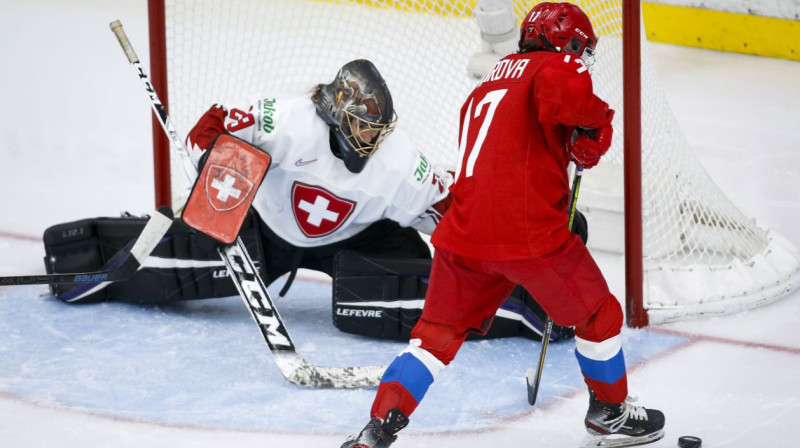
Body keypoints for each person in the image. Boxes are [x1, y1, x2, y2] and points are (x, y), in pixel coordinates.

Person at [341, 3, 665, 448]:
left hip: (463, 233)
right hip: (529, 234)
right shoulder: (557, 63)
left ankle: (376, 429)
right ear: (566, 42)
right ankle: (609, 413)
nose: (581, 57)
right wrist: (598, 122)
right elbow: (562, 98)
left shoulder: (489, 81)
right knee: (599, 315)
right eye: (580, 48)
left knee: (434, 338)